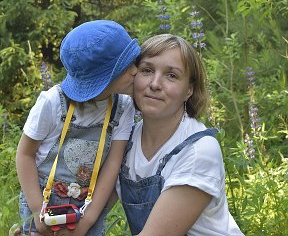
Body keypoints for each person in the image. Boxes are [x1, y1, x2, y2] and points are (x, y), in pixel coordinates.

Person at [16, 20, 141, 236]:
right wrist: (38, 212)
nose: (136, 71)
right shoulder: (52, 102)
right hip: (43, 203)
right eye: (125, 67)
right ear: (101, 78)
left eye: (134, 62)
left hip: (88, 208)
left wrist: (88, 220)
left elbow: (113, 164)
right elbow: (25, 154)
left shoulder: (123, 106)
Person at [117, 34, 244, 235]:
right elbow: (94, 207)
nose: (155, 84)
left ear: (189, 90)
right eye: (147, 70)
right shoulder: (126, 140)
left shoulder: (198, 151)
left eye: (172, 75)